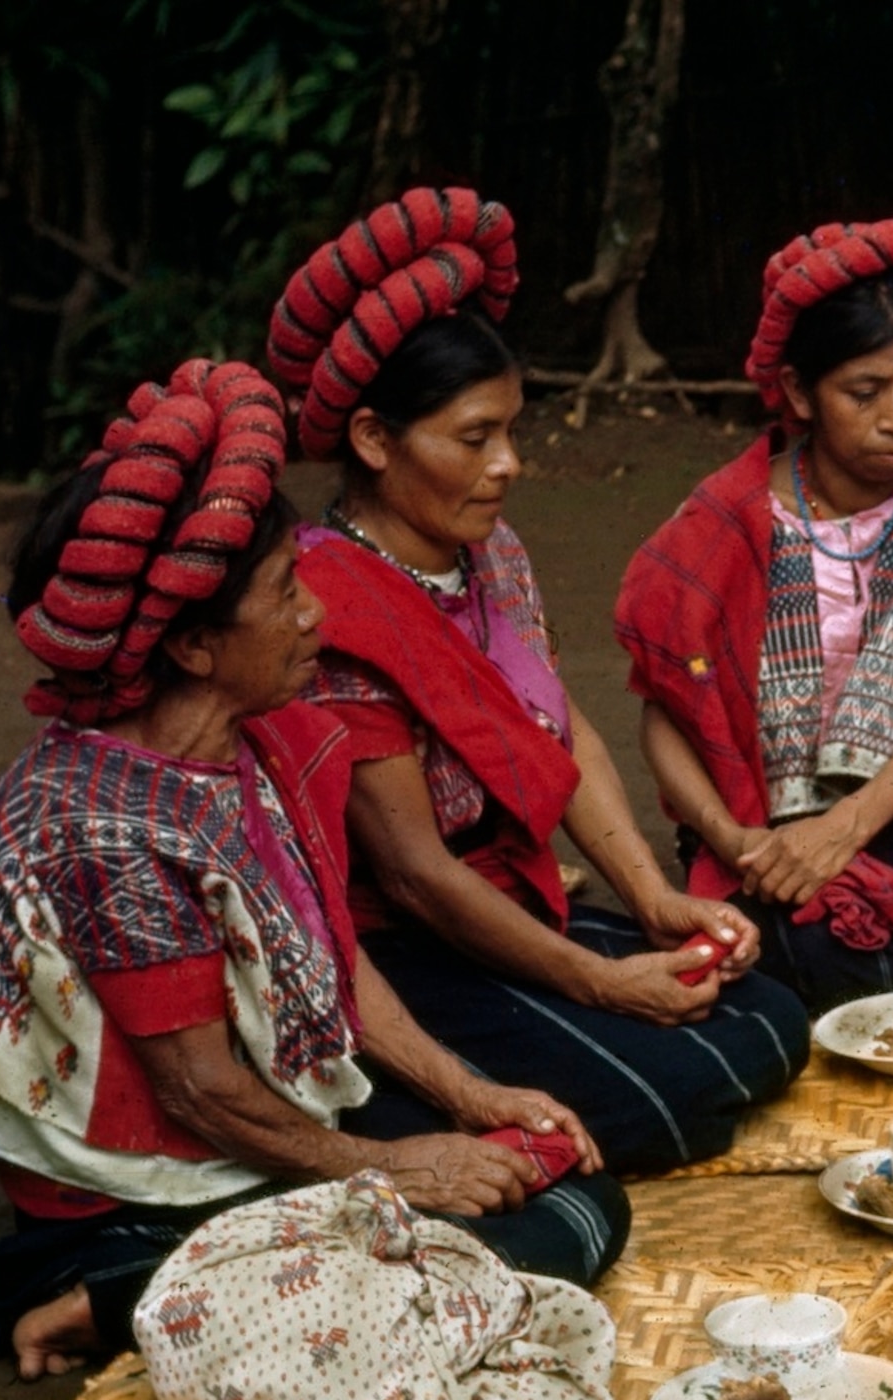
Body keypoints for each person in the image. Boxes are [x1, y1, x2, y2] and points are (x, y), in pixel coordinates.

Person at [0, 360, 626, 1381]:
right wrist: (395, 1169)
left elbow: (326, 957)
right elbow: (199, 1091)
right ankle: (114, 1293)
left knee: (573, 1194)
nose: (315, 619)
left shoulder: (256, 739)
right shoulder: (108, 826)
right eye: (288, 594)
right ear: (194, 645)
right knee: (524, 1243)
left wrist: (470, 1097)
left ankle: (165, 1289)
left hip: (234, 1128)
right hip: (139, 1186)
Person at [264, 187, 810, 1176]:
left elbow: (563, 730)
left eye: (511, 430)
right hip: (404, 947)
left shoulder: (492, 553)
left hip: (508, 895)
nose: (508, 464)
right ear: (375, 441)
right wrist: (602, 988)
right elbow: (417, 877)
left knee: (771, 1020)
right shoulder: (327, 616)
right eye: (474, 438)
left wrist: (650, 900)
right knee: (671, 1096)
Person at [617, 213, 893, 1011]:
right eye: (864, 391)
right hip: (749, 823)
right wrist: (733, 837)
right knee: (748, 987)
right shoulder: (716, 525)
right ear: (797, 393)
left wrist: (842, 831)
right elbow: (663, 717)